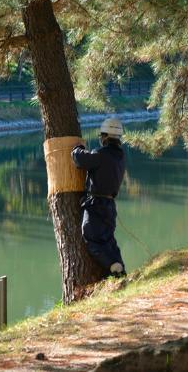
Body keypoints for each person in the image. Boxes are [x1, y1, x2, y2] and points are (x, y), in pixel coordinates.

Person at [72, 117, 127, 278]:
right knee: (108, 240)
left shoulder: (101, 154)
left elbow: (80, 160)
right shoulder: (120, 156)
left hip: (95, 203)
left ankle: (112, 266)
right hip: (109, 205)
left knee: (92, 238)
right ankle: (120, 270)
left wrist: (77, 148)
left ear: (105, 136)